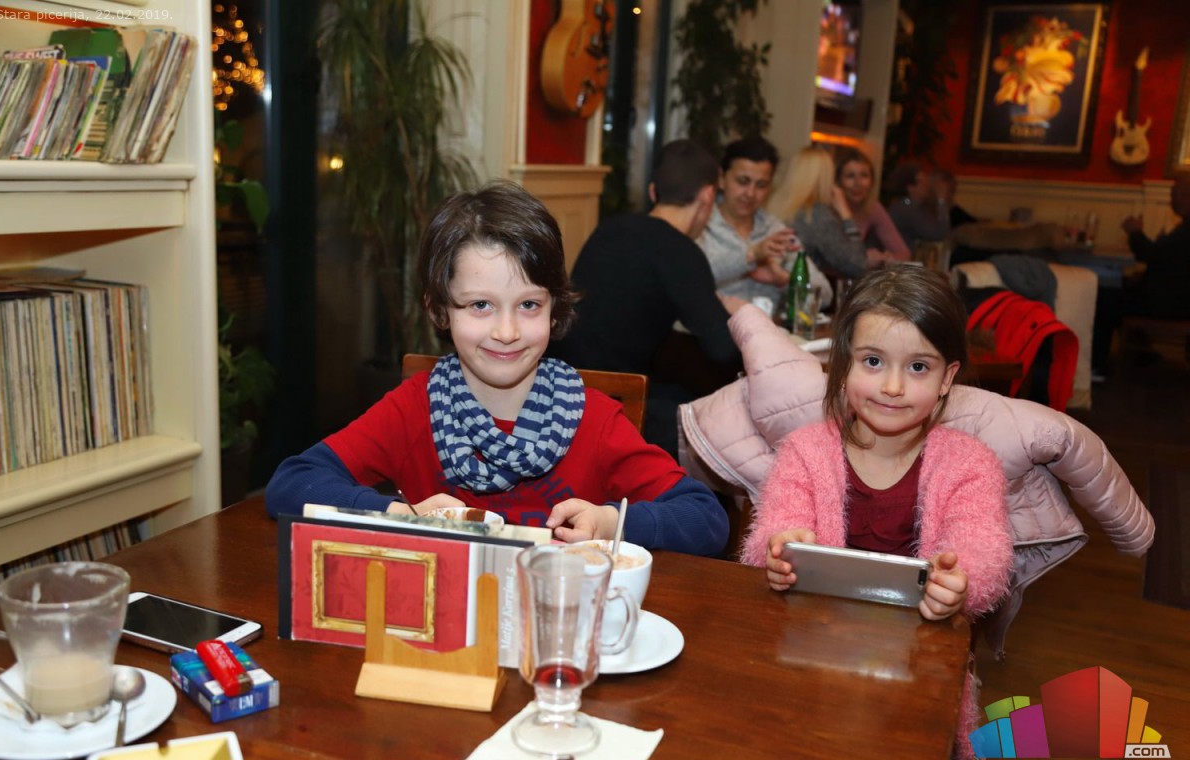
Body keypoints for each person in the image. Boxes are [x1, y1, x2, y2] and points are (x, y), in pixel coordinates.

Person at [265, 181, 729, 557]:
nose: (506, 332)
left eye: (528, 305)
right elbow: (292, 482)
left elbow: (706, 518)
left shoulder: (594, 419)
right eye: (480, 305)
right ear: (440, 310)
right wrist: (397, 515)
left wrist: (612, 521)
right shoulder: (414, 408)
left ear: (554, 309)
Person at [741, 265, 1013, 758]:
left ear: (948, 378)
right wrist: (780, 550)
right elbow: (771, 533)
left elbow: (985, 554)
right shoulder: (805, 450)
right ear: (842, 365)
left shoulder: (970, 463)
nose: (892, 386)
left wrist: (960, 580)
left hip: (918, 676)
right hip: (808, 663)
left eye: (918, 367)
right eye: (872, 361)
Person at [550, 139, 745, 457]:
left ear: (654, 192)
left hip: (559, 389)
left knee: (678, 390)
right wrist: (740, 312)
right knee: (719, 422)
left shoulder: (610, 228)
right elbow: (723, 349)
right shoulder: (681, 252)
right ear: (708, 196)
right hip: (610, 403)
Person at [698, 136, 831, 307]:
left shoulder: (775, 231)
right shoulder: (701, 225)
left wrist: (784, 280)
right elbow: (688, 278)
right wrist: (751, 256)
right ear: (722, 179)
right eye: (743, 181)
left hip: (766, 324)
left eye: (761, 185)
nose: (750, 193)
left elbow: (825, 295)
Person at [1092, 174, 1190, 376]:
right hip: (1178, 301)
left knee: (1105, 298)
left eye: (1178, 195)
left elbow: (1150, 254)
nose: (1173, 200)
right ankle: (1142, 353)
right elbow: (1169, 262)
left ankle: (1097, 366)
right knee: (1123, 289)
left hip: (1172, 306)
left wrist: (1135, 231)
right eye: (1173, 194)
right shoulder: (1183, 228)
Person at [781, 145, 868, 280]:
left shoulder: (779, 205)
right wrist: (845, 213)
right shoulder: (816, 215)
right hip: (799, 290)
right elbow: (857, 265)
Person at [834, 149, 910, 266]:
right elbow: (831, 257)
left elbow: (904, 253)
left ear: (872, 182)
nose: (858, 183)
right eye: (850, 176)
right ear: (838, 182)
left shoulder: (873, 207)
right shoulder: (827, 208)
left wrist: (886, 258)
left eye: (864, 176)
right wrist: (864, 257)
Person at [884, 161, 950, 253]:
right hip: (901, 260)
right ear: (910, 187)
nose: (927, 185)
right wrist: (941, 200)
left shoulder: (903, 203)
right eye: (922, 182)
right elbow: (939, 234)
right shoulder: (909, 207)